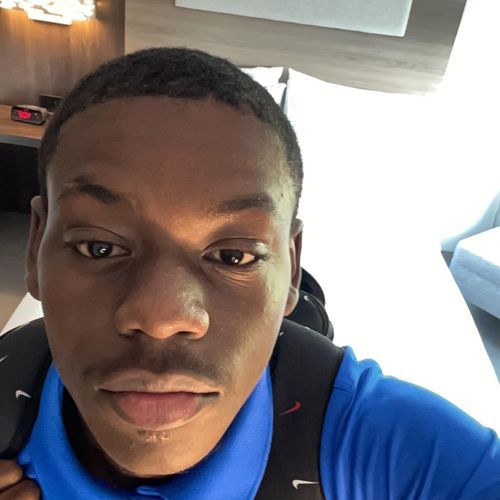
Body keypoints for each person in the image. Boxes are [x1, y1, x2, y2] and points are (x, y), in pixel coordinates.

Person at [0, 47, 498, 500]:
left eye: (233, 256)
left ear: (292, 265)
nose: (161, 317)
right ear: (36, 246)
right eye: (100, 247)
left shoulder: (388, 446)